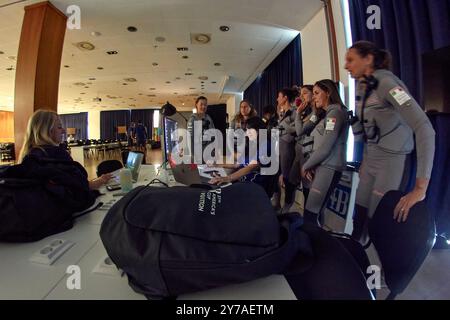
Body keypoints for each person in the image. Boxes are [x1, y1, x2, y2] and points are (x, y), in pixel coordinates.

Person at [345, 41, 435, 243]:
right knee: (358, 218)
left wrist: (421, 188)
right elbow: (365, 129)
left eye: (350, 60)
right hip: (371, 159)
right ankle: (354, 261)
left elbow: (424, 128)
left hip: (391, 161)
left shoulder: (387, 84)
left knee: (378, 222)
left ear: (368, 59)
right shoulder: (362, 86)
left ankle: (378, 271)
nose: (346, 66)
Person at [18, 109, 112, 190]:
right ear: (46, 131)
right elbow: (81, 187)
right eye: (59, 127)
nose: (63, 131)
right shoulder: (56, 154)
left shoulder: (27, 155)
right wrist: (101, 180)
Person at [298, 80, 349, 225]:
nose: (313, 97)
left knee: (311, 215)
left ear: (328, 92)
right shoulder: (327, 114)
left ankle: (315, 246)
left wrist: (306, 165)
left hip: (329, 167)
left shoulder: (336, 113)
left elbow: (326, 147)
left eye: (316, 93)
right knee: (312, 215)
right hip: (322, 166)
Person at [209, 117, 274, 196]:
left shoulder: (265, 145)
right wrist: (217, 165)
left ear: (259, 130)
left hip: (255, 186)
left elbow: (251, 167)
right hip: (243, 180)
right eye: (247, 130)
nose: (247, 133)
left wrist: (227, 178)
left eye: (250, 130)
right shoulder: (251, 143)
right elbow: (237, 164)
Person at [290, 85, 317, 204]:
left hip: (308, 155)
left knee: (308, 191)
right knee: (292, 182)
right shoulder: (308, 113)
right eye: (301, 94)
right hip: (299, 154)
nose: (302, 97)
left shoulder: (316, 114)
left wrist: (298, 113)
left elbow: (300, 131)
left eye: (305, 93)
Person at [276, 87, 298, 213]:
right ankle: (283, 205)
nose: (277, 99)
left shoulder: (294, 112)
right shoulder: (282, 113)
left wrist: (284, 133)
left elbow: (296, 131)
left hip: (289, 150)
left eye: (279, 96)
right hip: (281, 150)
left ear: (285, 98)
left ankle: (287, 207)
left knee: (289, 181)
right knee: (283, 179)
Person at [187, 96, 216, 162]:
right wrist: (192, 156)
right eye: (201, 104)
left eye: (205, 105)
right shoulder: (192, 120)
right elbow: (190, 139)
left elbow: (213, 134)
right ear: (196, 105)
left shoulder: (208, 118)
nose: (203, 107)